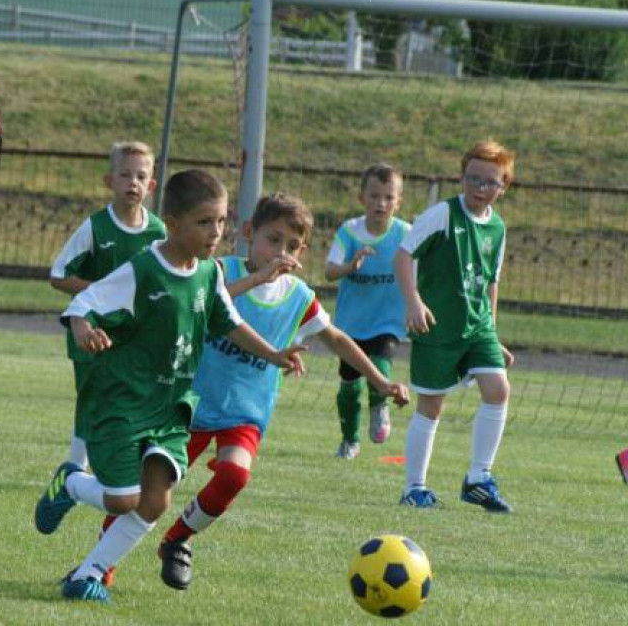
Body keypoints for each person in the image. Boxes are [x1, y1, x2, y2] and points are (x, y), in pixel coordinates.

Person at [33, 169, 306, 604]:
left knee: (156, 500)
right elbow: (84, 302)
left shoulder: (209, 274)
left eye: (220, 221)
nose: (215, 232)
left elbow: (230, 324)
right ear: (173, 224)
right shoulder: (142, 269)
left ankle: (89, 574)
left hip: (171, 405)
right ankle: (69, 484)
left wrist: (274, 355)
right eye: (204, 222)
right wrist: (84, 329)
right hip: (124, 402)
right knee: (124, 500)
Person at [155, 193, 409, 590]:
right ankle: (98, 567)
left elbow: (338, 339)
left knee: (235, 475)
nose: (281, 252)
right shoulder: (221, 272)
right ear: (248, 233)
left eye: (291, 246)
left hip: (245, 412)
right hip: (190, 406)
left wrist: (380, 380)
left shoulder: (297, 297)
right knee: (148, 495)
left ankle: (177, 540)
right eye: (273, 240)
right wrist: (256, 279)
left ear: (302, 252)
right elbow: (199, 303)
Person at [395, 140, 516, 512]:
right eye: (472, 178)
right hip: (438, 327)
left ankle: (478, 478)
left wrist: (493, 332)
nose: (479, 188)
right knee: (431, 405)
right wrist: (414, 301)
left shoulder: (496, 226)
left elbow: (490, 281)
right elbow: (402, 254)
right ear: (462, 177)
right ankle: (414, 487)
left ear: (504, 186)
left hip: (478, 327)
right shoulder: (442, 215)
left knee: (498, 389)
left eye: (489, 182)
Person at [49, 141, 166, 469]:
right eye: (125, 174)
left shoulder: (158, 232)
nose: (133, 182)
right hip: (90, 330)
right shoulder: (95, 227)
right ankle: (75, 470)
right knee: (93, 400)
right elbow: (58, 275)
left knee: (136, 400)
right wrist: (104, 293)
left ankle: (127, 466)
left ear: (151, 185)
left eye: (141, 176)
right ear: (109, 181)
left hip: (134, 336)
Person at [325, 165, 410, 459]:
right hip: (351, 324)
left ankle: (379, 406)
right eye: (374, 196)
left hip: (387, 322)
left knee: (381, 366)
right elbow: (329, 271)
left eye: (389, 197)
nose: (381, 203)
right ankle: (350, 440)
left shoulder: (406, 234)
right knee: (349, 386)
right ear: (362, 198)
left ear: (398, 201)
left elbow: (422, 270)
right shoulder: (349, 232)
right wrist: (351, 266)